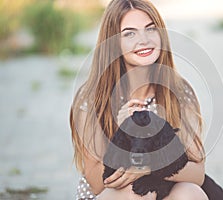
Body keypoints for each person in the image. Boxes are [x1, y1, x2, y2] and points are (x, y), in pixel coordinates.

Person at [70, 0, 210, 199]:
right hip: (112, 195)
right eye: (129, 33)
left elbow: (197, 174)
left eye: (150, 29)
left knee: (190, 193)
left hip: (160, 190)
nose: (143, 40)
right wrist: (122, 134)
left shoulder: (177, 92)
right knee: (139, 192)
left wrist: (149, 165)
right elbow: (97, 183)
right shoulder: (92, 99)